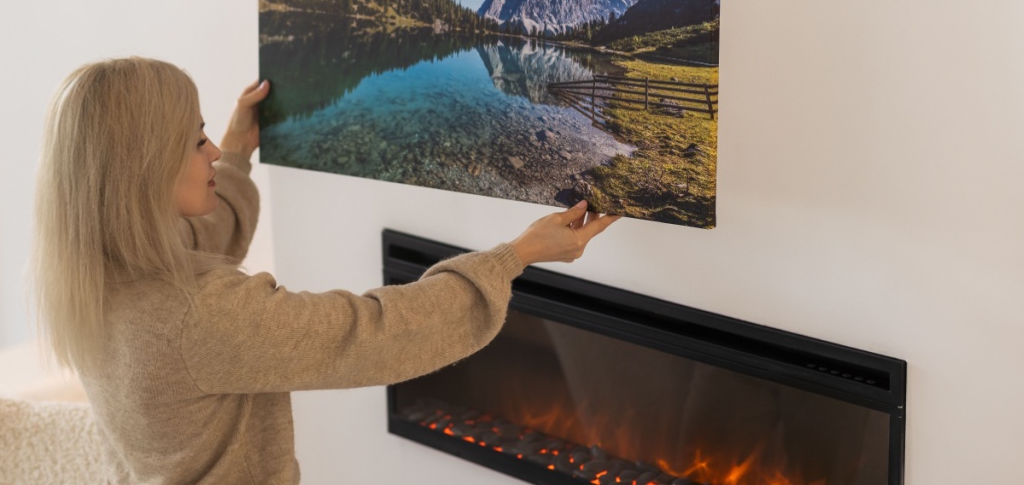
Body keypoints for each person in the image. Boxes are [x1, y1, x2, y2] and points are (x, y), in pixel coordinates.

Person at [32, 57, 620, 485]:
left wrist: (238, 149)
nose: (210, 152)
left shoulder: (98, 268)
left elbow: (202, 236)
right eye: (195, 141)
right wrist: (515, 256)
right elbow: (372, 333)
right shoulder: (199, 315)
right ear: (143, 168)